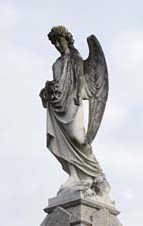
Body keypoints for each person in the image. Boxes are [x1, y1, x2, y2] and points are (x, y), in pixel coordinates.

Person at [40, 26, 110, 196]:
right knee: (61, 142)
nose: (57, 44)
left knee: (78, 138)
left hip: (73, 101)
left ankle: (97, 176)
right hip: (57, 105)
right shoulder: (56, 64)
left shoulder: (76, 59)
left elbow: (80, 82)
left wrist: (78, 95)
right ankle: (74, 174)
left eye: (59, 40)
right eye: (54, 42)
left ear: (67, 40)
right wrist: (47, 91)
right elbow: (58, 83)